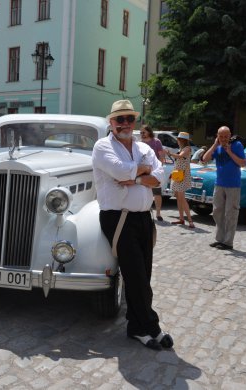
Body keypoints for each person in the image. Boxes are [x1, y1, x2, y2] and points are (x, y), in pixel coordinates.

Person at [92, 99, 172, 351]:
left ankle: (137, 327)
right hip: (119, 218)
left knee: (143, 274)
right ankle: (152, 326)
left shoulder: (143, 149)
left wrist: (135, 176)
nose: (125, 123)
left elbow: (160, 175)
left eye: (129, 118)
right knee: (135, 275)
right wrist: (140, 174)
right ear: (111, 122)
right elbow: (118, 170)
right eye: (120, 119)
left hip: (142, 217)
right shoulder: (102, 146)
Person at [201, 126, 246, 250]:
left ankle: (228, 242)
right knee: (217, 212)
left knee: (231, 213)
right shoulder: (218, 146)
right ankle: (220, 239)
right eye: (221, 136)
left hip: (233, 185)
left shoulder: (236, 145)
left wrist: (230, 152)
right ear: (217, 136)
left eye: (226, 136)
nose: (224, 139)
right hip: (219, 184)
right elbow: (204, 159)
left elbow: (242, 163)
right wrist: (215, 145)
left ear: (230, 135)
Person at [165, 132, 195, 228]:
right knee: (178, 197)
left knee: (182, 198)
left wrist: (170, 153)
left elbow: (180, 156)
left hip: (182, 175)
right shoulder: (181, 148)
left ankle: (190, 220)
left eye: (178, 139)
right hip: (178, 174)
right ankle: (181, 219)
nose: (177, 140)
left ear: (182, 140)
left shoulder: (187, 149)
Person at [140, 125, 165, 221]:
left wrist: (159, 170)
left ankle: (158, 213)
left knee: (157, 193)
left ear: (149, 132)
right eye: (141, 133)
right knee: (145, 192)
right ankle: (147, 211)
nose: (142, 134)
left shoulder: (156, 142)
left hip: (155, 172)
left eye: (143, 132)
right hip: (144, 172)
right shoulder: (140, 143)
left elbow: (161, 156)